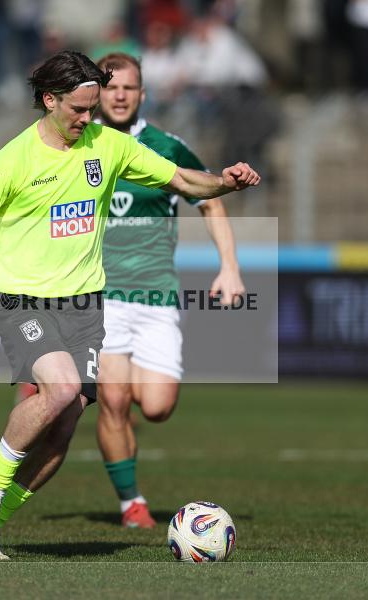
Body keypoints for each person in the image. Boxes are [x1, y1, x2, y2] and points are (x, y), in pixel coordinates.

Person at [0, 50, 259, 560]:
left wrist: (224, 181)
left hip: (85, 307)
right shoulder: (13, 159)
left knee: (64, 427)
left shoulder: (106, 146)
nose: (88, 119)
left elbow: (182, 180)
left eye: (93, 109)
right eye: (78, 110)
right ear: (49, 101)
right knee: (62, 388)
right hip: (21, 298)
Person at [93, 52, 245, 528]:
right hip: (101, 297)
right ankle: (131, 503)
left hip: (157, 297)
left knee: (156, 407)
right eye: (110, 86)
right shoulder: (80, 145)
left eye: (129, 88)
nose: (119, 95)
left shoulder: (165, 146)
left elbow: (208, 200)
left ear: (142, 94)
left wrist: (230, 268)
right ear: (95, 92)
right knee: (113, 401)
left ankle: (125, 414)